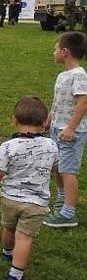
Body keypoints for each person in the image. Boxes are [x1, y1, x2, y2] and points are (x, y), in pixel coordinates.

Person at [0, 96, 58, 280]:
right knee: (25, 238)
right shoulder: (51, 146)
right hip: (36, 203)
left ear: (14, 119)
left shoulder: (8, 146)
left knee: (9, 227)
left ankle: (7, 252)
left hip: (10, 199)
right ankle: (15, 277)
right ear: (45, 123)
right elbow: (56, 168)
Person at [43, 31, 87, 228]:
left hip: (70, 133)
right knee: (57, 166)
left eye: (55, 49)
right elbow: (58, 102)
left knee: (68, 170)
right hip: (57, 129)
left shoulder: (79, 75)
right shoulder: (63, 75)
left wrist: (71, 128)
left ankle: (69, 213)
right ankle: (61, 199)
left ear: (65, 52)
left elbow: (83, 102)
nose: (53, 52)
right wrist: (49, 120)